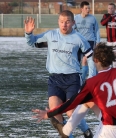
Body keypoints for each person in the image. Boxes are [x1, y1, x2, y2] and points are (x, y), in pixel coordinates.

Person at [24, 10, 95, 138]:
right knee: (55, 112)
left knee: (70, 112)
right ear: (58, 22)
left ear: (73, 23)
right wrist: (29, 33)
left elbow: (90, 56)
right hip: (55, 79)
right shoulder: (51, 35)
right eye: (62, 22)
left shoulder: (78, 38)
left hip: (72, 79)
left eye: (67, 22)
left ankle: (86, 131)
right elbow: (31, 42)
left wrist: (92, 76)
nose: (64, 25)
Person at [74, 1, 100, 82]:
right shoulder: (76, 18)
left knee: (86, 60)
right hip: (79, 42)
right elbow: (72, 29)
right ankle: (81, 81)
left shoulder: (92, 18)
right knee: (80, 62)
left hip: (90, 41)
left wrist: (98, 41)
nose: (88, 10)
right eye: (86, 8)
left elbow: (97, 30)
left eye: (89, 8)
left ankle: (90, 79)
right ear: (81, 9)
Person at [100, 3, 116, 68]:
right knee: (110, 55)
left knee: (115, 53)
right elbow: (102, 23)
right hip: (109, 40)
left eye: (112, 8)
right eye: (109, 8)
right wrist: (109, 16)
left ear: (115, 9)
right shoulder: (105, 16)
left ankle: (115, 69)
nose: (110, 10)